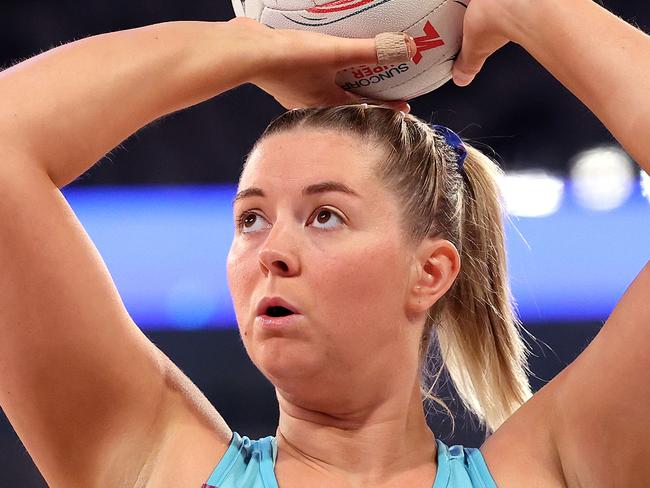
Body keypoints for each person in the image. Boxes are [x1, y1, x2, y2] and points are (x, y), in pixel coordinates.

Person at [0, 1, 648, 487]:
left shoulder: (554, 470)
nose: (270, 252)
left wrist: (536, 10)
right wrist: (246, 48)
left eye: (325, 216)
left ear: (430, 272)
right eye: (250, 220)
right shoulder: (150, 461)